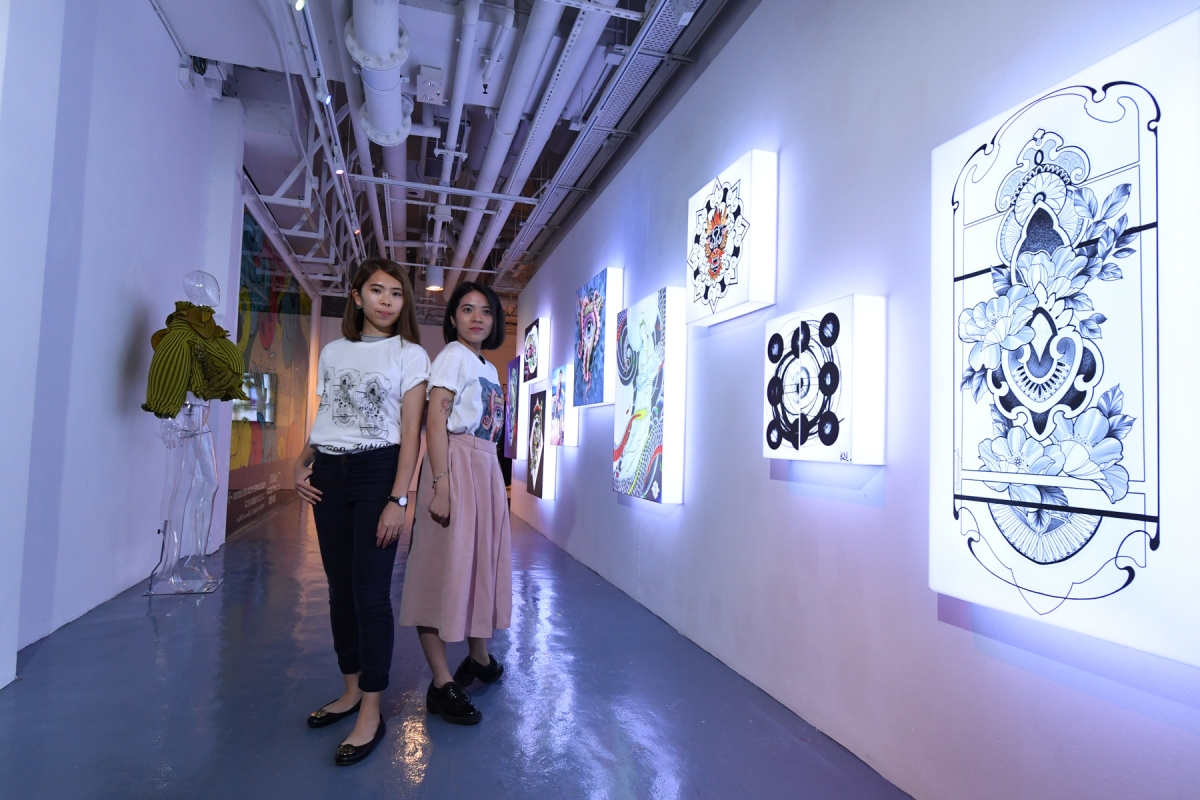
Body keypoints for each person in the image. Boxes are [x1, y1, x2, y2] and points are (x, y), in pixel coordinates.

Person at [293, 258, 429, 766]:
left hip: (377, 473)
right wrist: (301, 461)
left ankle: (371, 709)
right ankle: (350, 690)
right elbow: (330, 414)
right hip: (328, 473)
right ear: (356, 296)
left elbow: (411, 433)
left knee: (370, 594)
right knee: (340, 592)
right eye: (376, 290)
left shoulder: (410, 354)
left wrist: (399, 499)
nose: (387, 300)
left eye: (396, 292)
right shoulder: (333, 351)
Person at [399, 281, 511, 725]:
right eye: (467, 309)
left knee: (477, 564)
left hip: (483, 468)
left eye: (486, 310)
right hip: (456, 465)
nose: (477, 317)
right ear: (452, 318)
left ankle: (478, 657)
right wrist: (441, 484)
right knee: (439, 570)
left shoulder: (488, 367)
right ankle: (441, 681)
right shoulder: (451, 356)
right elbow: (436, 420)